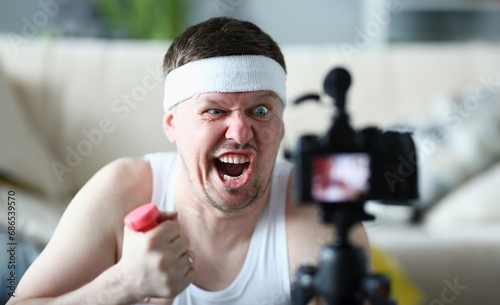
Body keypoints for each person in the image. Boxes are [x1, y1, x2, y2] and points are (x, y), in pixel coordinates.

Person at [8, 17, 371, 305]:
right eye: (214, 111)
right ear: (172, 125)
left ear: (280, 123)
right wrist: (122, 284)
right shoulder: (123, 188)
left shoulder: (318, 211)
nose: (241, 133)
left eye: (261, 110)